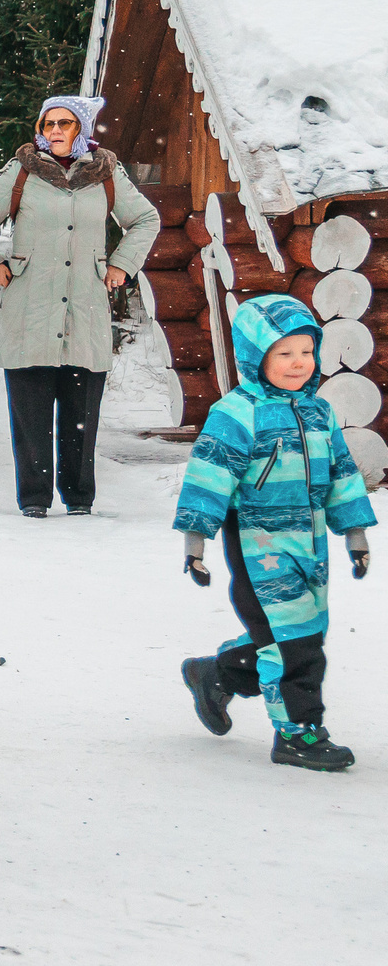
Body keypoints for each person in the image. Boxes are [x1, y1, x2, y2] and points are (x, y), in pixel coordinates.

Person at [175, 297, 375, 772]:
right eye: (284, 353)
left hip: (310, 544)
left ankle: (217, 673)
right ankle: (298, 733)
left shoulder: (320, 414)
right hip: (257, 544)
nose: (298, 363)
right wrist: (195, 544)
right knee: (293, 644)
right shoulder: (237, 413)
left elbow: (343, 476)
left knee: (301, 635)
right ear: (256, 356)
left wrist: (357, 536)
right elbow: (207, 478)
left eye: (306, 352)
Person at [0, 95, 160, 517]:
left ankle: (79, 498)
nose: (55, 131)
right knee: (30, 412)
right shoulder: (23, 170)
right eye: (48, 123)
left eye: (65, 124)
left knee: (81, 412)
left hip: (85, 307)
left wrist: (121, 264)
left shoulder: (106, 173)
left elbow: (145, 219)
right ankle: (33, 499)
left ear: (81, 128)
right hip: (30, 305)